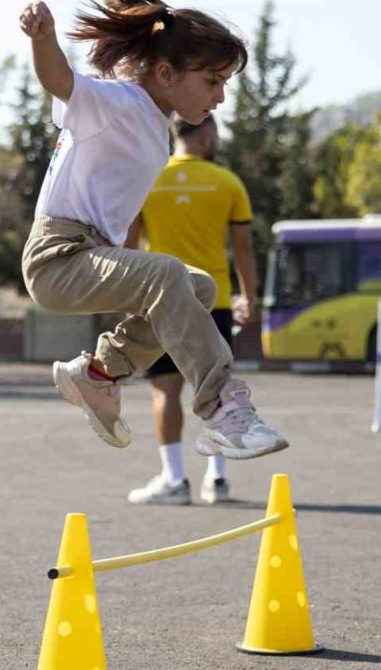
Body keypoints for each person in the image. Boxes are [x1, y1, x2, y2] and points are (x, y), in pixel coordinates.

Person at [18, 0, 288, 461]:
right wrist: (44, 38)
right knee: (165, 274)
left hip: (91, 252)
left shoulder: (155, 129)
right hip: (57, 256)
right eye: (212, 81)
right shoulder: (119, 103)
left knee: (198, 286)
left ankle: (99, 374)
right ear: (166, 74)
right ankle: (223, 409)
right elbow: (58, 80)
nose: (220, 97)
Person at [124, 116, 258, 505]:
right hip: (212, 300)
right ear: (206, 133)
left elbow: (130, 246)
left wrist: (128, 300)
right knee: (213, 391)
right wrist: (248, 296)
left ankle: (174, 479)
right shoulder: (228, 182)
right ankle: (216, 480)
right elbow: (244, 249)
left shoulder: (148, 179)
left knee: (165, 391)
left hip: (160, 300)